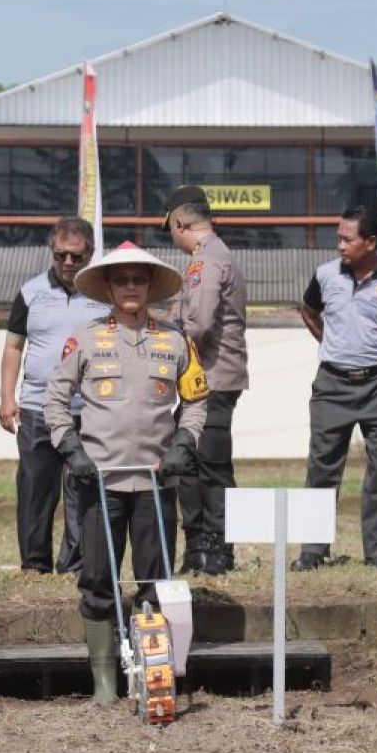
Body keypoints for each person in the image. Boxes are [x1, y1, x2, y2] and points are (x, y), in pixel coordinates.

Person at [44, 242, 209, 705]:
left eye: (139, 279)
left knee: (155, 579)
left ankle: (153, 672)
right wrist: (71, 448)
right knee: (97, 579)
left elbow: (196, 401)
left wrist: (183, 443)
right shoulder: (86, 338)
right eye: (122, 280)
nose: (131, 287)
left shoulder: (176, 340)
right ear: (110, 288)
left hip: (158, 483)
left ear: (151, 286)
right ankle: (104, 681)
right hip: (100, 482)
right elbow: (55, 399)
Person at [293, 206, 377, 571]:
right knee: (321, 469)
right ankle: (312, 552)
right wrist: (328, 342)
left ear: (371, 242)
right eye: (339, 238)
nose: (340, 245)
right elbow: (308, 310)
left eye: (348, 239)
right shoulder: (325, 275)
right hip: (332, 385)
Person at [0, 218, 109, 574]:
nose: (68, 263)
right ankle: (34, 564)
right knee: (35, 489)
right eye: (61, 255)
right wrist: (6, 398)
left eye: (76, 256)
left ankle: (75, 564)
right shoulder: (30, 292)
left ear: (90, 253)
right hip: (35, 408)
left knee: (82, 487)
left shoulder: (105, 293)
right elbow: (13, 347)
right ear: (51, 251)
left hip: (87, 409)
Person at [164, 186, 249, 575]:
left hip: (210, 377)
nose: (172, 236)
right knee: (193, 466)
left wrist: (168, 344)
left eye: (171, 229)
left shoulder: (207, 261)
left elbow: (197, 323)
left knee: (210, 466)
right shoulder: (213, 255)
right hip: (206, 378)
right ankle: (199, 547)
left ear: (180, 223)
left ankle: (216, 549)